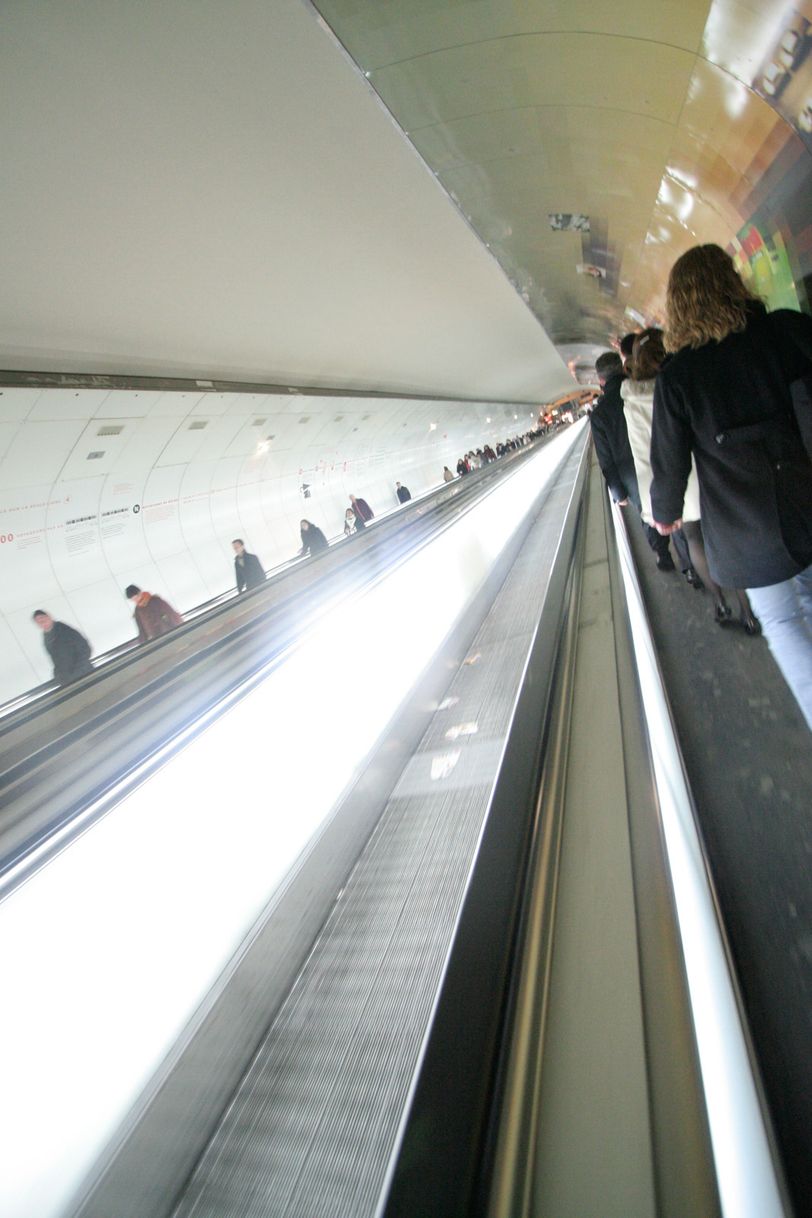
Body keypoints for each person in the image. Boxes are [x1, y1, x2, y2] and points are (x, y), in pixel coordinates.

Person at [650, 243, 812, 727]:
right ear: (734, 282)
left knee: (783, 624)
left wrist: (665, 513)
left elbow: (670, 462)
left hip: (747, 529)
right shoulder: (780, 330)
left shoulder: (677, 377)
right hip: (805, 501)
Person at [623, 330, 757, 630]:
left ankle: (720, 603)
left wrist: (655, 499)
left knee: (694, 540)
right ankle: (748, 612)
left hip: (671, 481)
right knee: (724, 540)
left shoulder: (631, 399)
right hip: (704, 468)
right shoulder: (679, 378)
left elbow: (641, 452)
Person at [590, 350, 675, 571]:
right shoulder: (642, 388)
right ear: (622, 367)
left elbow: (606, 458)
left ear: (600, 380)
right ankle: (689, 563)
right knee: (676, 502)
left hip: (631, 472)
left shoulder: (599, 414)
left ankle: (662, 553)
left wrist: (618, 492)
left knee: (647, 512)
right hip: (656, 455)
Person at [31, 610, 93, 686]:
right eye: (38, 622)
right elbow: (56, 660)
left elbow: (85, 649)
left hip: (83, 675)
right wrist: (58, 676)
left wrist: (77, 672)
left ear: (49, 617)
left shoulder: (65, 630)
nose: (42, 622)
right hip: (67, 679)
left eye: (43, 619)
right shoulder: (47, 637)